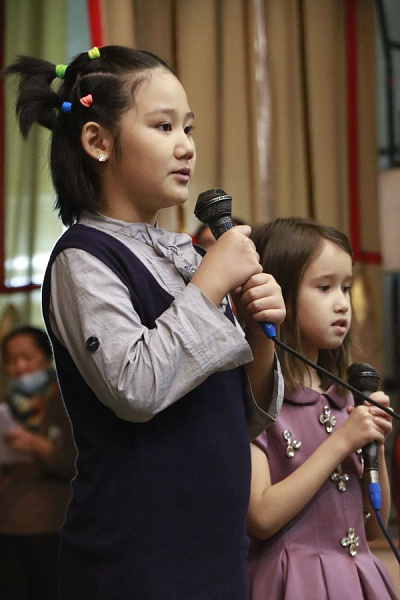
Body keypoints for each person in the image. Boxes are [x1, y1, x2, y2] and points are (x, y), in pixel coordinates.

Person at [4, 46, 285, 599]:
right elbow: (135, 386)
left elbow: (240, 422)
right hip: (135, 563)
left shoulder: (186, 255)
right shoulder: (82, 257)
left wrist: (258, 337)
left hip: (214, 556)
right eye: (163, 126)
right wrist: (210, 286)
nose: (186, 145)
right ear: (98, 141)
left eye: (188, 127)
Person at [247, 217, 398, 600]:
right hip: (296, 582)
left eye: (346, 288)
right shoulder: (260, 401)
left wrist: (373, 440)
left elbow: (375, 526)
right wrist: (342, 441)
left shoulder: (343, 396)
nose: (342, 304)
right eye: (325, 287)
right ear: (279, 292)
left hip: (359, 578)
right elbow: (260, 516)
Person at [0, 326, 76, 600]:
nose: (19, 367)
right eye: (11, 360)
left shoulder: (67, 402)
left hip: (52, 525)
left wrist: (37, 446)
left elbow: (77, 462)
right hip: (8, 521)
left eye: (26, 357)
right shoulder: (7, 406)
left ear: (46, 357)